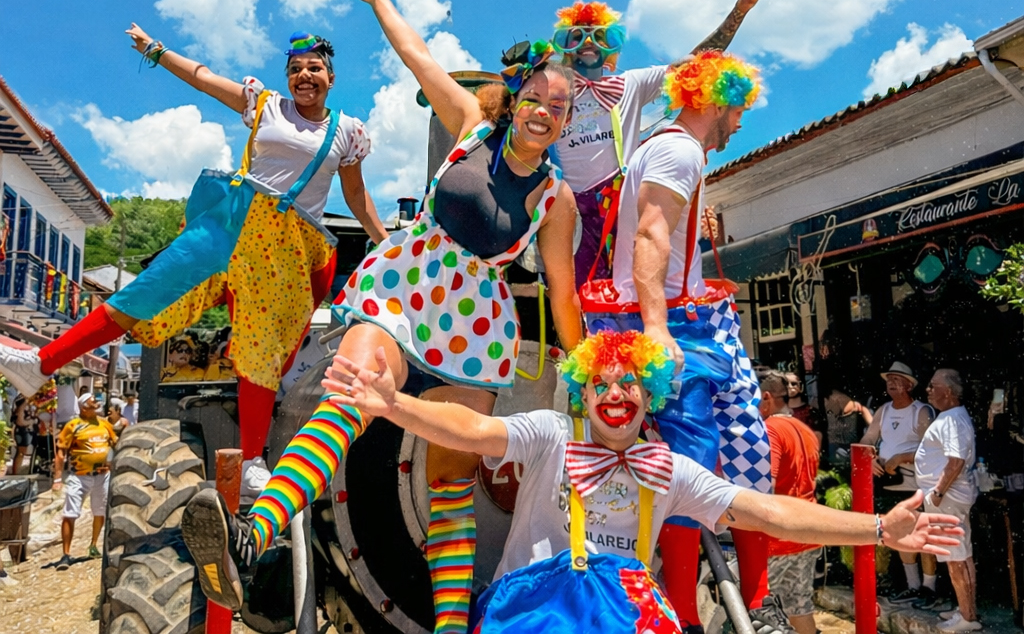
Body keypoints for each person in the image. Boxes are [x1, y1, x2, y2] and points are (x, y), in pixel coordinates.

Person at [182, 0, 582, 634]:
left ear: (566, 121)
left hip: (476, 324)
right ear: (515, 101)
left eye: (559, 107)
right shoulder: (468, 126)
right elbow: (418, 55)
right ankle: (256, 532)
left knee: (453, 485)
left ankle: (451, 629)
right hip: (408, 284)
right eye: (536, 100)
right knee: (352, 386)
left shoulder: (557, 198)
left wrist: (589, 369)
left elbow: (564, 297)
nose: (544, 113)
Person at [180, 329, 964, 634]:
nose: (617, 397)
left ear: (645, 397)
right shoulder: (551, 436)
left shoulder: (672, 468)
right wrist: (397, 407)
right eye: (604, 385)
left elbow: (767, 512)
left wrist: (877, 529)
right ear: (585, 393)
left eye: (631, 386)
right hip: (536, 610)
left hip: (623, 616)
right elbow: (476, 432)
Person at [0, 26, 387, 503]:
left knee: (261, 349)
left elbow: (356, 196)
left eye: (313, 69)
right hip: (231, 219)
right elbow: (204, 78)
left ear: (331, 75)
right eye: (294, 70)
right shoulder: (264, 104)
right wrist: (157, 51)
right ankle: (40, 363)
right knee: (146, 292)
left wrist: (388, 243)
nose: (304, 76)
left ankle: (250, 461)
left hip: (284, 242)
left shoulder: (347, 131)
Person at [583, 51, 776, 633]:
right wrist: (659, 326)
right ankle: (702, 614)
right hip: (671, 323)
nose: (740, 122)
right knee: (711, 453)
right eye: (738, 108)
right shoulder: (678, 148)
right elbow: (650, 232)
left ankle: (727, 601)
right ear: (715, 100)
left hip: (669, 314)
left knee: (724, 450)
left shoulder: (662, 145)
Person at [553, 0, 774, 288]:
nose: (589, 44)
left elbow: (694, 64)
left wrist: (741, 8)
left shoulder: (631, 84)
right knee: (572, 291)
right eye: (577, 37)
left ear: (612, 44)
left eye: (600, 36)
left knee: (625, 289)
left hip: (620, 204)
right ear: (564, 46)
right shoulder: (549, 93)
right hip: (570, 210)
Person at [856, 361, 937, 604]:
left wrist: (901, 457)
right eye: (889, 379)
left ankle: (929, 588)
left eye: (897, 379)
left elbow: (931, 449)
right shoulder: (883, 410)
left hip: (916, 484)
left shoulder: (921, 411)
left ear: (909, 385)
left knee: (923, 534)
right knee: (900, 534)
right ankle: (912, 585)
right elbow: (868, 439)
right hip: (890, 483)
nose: (891, 383)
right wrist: (869, 458)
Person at [915, 369, 979, 632]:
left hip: (948, 497)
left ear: (949, 392)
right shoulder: (951, 417)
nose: (928, 390)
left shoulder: (952, 419)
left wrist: (938, 493)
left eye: (933, 386)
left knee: (956, 558)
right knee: (961, 555)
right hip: (948, 497)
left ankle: (967, 618)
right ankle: (966, 611)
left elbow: (955, 462)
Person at [760, 372, 821, 634]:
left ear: (766, 398)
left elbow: (766, 484)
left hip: (779, 537)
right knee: (799, 605)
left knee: (759, 610)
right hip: (807, 531)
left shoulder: (771, 429)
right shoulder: (804, 429)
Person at [53, 393, 118, 569]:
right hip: (79, 475)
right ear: (83, 407)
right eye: (92, 402)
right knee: (70, 513)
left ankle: (94, 545)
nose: (96, 404)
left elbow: (115, 443)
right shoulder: (73, 426)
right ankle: (65, 554)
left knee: (100, 511)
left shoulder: (104, 424)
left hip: (102, 475)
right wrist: (57, 478)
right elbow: (61, 452)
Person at [7, 394, 37, 475]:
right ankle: (16, 472)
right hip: (22, 430)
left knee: (24, 452)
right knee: (21, 453)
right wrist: (32, 422)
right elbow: (20, 420)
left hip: (26, 429)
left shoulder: (26, 400)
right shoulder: (22, 401)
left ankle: (21, 471)